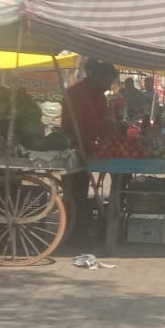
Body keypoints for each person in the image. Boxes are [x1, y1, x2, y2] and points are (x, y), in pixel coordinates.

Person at [62, 59, 118, 239]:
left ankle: (91, 221)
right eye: (107, 81)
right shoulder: (75, 93)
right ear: (96, 76)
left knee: (86, 186)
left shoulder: (101, 96)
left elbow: (104, 122)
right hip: (73, 145)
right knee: (75, 189)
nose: (109, 86)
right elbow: (74, 125)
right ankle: (71, 229)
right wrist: (90, 145)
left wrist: (114, 137)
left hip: (90, 146)